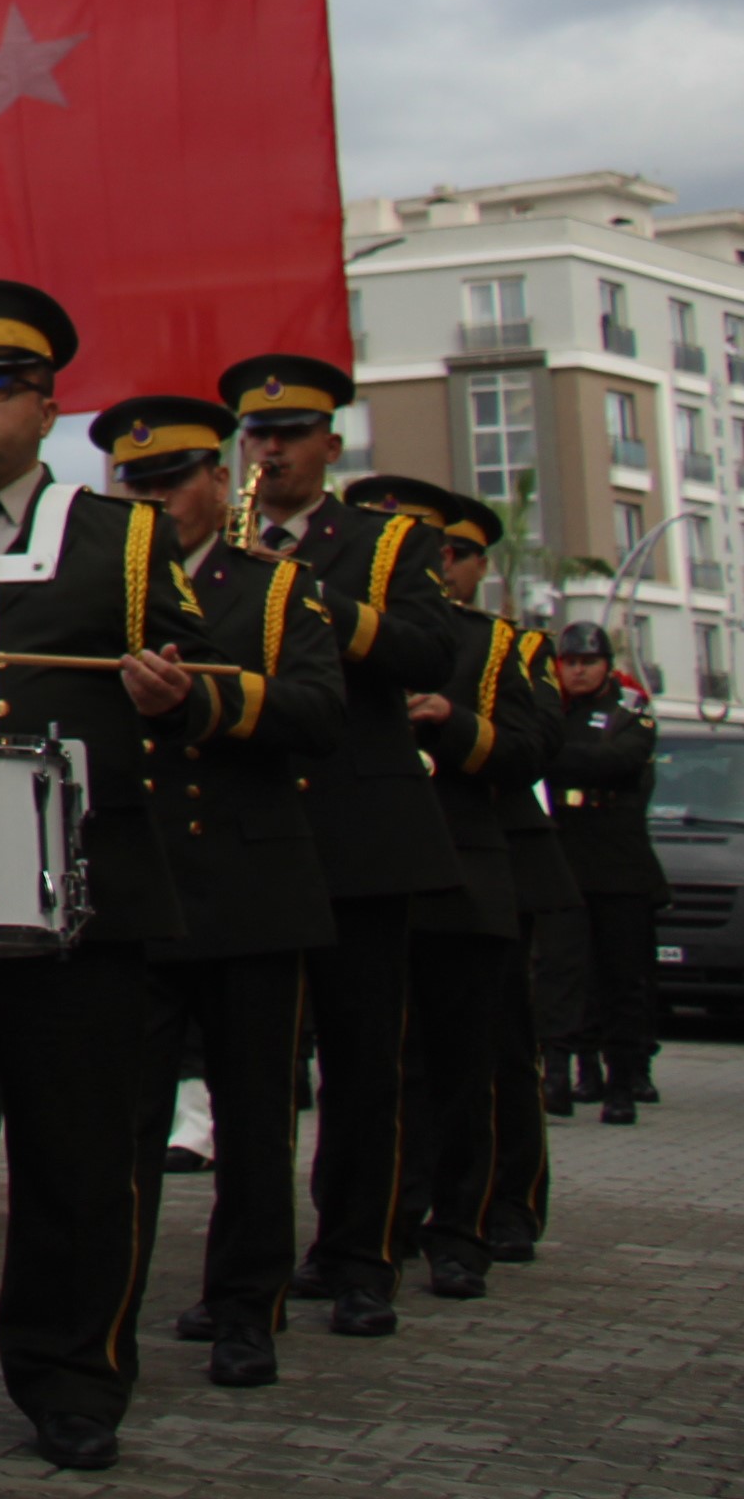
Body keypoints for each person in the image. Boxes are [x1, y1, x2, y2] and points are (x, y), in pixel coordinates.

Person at [0, 283, 224, 1474]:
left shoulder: (125, 536)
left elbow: (220, 677)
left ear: (49, 402)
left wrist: (183, 692)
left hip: (76, 891)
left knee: (78, 1153)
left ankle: (72, 1373)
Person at [216, 352, 468, 1340]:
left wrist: (306, 599)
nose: (269, 450)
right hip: (261, 830)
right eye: (256, 435)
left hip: (361, 831)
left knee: (366, 1060)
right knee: (256, 1069)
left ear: (330, 441)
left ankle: (361, 1254)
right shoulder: (220, 542)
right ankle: (254, 1272)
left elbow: (425, 649)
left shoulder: (383, 541)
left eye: (289, 434)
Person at [102, 396, 344, 1391]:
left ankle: (247, 1302)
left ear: (216, 480)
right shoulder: (103, 592)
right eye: (138, 486)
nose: (158, 503)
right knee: (121, 1126)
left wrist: (204, 697)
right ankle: (102, 1319)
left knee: (253, 1120)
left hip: (250, 887)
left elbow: (322, 709)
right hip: (141, 887)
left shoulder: (275, 592)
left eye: (174, 482)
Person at [389, 543, 557, 1301]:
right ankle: (373, 1228)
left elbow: (530, 750)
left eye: (445, 553)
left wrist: (452, 720)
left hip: (468, 872)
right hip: (375, 870)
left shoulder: (494, 643)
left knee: (480, 1062)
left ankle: (474, 1223)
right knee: (382, 1070)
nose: (433, 569)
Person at [542, 618, 664, 1124]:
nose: (578, 671)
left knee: (621, 979)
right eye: (570, 662)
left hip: (619, 863)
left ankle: (622, 1082)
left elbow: (622, 759)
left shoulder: (631, 710)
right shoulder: (549, 710)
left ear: (607, 666)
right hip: (565, 861)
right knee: (561, 976)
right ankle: (561, 1073)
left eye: (588, 662)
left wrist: (558, 758)